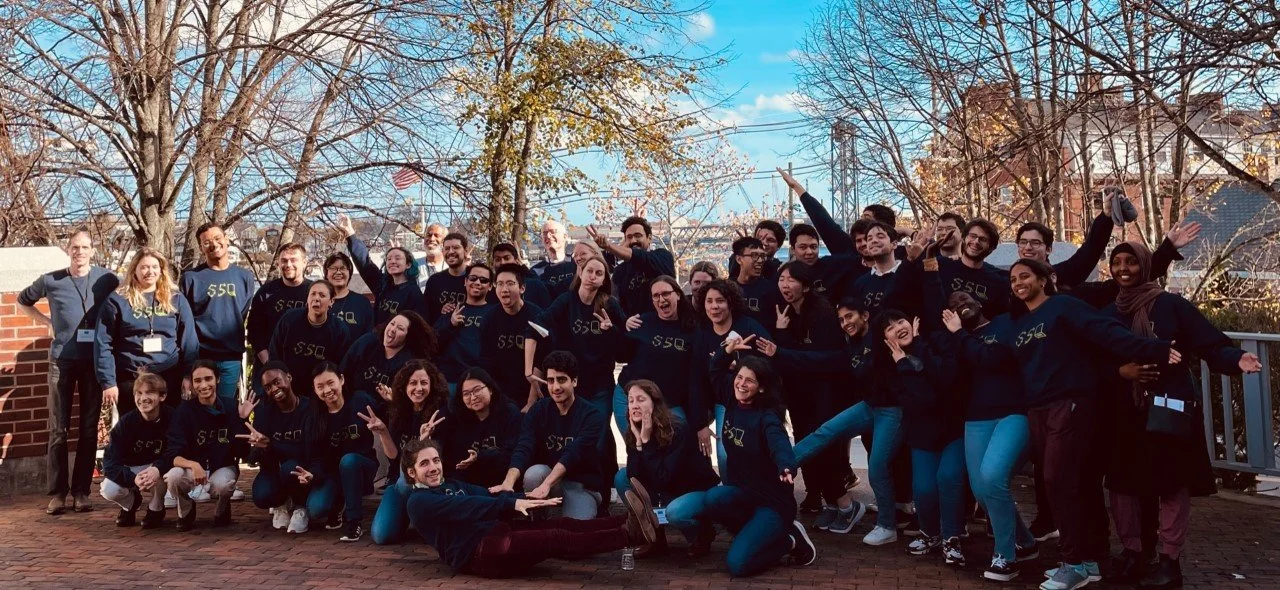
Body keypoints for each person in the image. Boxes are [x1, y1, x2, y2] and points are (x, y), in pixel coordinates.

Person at [1003, 258, 1178, 590]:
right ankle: (1085, 561)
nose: (1018, 283)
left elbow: (1106, 332)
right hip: (1038, 408)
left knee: (1058, 480)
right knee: (1063, 482)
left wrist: (1154, 349)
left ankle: (1074, 564)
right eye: (1013, 279)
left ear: (1044, 279)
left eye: (1025, 276)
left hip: (1069, 402)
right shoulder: (1022, 323)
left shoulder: (1063, 306)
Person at [1101, 242, 1262, 589]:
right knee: (1124, 486)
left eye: (1131, 262)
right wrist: (1121, 372)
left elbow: (1208, 342)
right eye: (1117, 262)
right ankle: (1133, 552)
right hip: (1125, 414)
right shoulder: (1107, 312)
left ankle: (1169, 561)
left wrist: (1235, 360)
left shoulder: (1171, 305)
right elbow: (1092, 358)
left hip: (1168, 410)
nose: (1123, 268)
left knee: (1171, 485)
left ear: (1145, 266)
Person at [401, 437, 660, 578]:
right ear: (411, 473)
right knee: (556, 538)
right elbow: (468, 506)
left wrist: (527, 497)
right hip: (480, 554)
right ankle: (630, 534)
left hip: (495, 533)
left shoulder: (453, 484)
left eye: (435, 460)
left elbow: (487, 496)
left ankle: (634, 517)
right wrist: (513, 503)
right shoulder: (418, 503)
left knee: (564, 524)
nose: (433, 467)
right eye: (425, 464)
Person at [665, 355, 815, 576]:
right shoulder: (733, 400)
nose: (741, 384)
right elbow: (714, 371)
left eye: (749, 381)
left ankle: (789, 540)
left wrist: (786, 466)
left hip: (771, 504)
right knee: (712, 499)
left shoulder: (767, 418)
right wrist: (727, 351)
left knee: (738, 565)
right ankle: (749, 533)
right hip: (741, 495)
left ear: (761, 388)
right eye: (739, 377)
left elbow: (779, 444)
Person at [17, 229, 119, 515]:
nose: (80, 252)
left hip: (93, 362)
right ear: (67, 249)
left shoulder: (107, 279)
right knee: (58, 429)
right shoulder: (51, 280)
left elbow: (125, 301)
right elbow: (23, 301)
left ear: (92, 250)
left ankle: (81, 491)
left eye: (85, 247)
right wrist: (45, 321)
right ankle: (58, 493)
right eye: (75, 247)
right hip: (61, 361)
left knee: (88, 429)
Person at [939, 292, 1038, 582]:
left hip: (1013, 411)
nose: (960, 304)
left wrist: (959, 333)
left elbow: (993, 359)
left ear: (981, 303)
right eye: (953, 304)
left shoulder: (1006, 323)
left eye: (965, 299)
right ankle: (1026, 542)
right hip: (976, 417)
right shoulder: (954, 339)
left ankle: (1006, 557)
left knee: (994, 477)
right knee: (982, 490)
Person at [873, 310, 967, 567]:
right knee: (923, 490)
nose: (898, 328)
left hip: (952, 431)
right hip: (923, 435)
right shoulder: (891, 369)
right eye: (890, 327)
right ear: (884, 338)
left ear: (913, 323)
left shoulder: (932, 344)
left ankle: (952, 538)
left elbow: (945, 378)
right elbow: (923, 401)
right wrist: (903, 364)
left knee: (948, 480)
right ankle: (930, 534)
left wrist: (917, 345)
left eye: (901, 321)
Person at [765, 262, 850, 519]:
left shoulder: (823, 312)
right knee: (805, 443)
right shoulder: (786, 313)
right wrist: (781, 332)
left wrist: (783, 351)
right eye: (781, 279)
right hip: (798, 392)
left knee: (825, 446)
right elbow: (788, 357)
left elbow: (830, 358)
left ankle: (843, 504)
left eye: (791, 280)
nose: (785, 285)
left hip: (825, 391)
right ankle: (822, 500)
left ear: (805, 285)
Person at [495, 351, 606, 520]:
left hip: (581, 483)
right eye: (550, 380)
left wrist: (546, 484)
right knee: (533, 474)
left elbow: (573, 453)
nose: (555, 387)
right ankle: (538, 522)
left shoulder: (592, 415)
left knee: (577, 530)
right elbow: (524, 445)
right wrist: (508, 482)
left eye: (561, 380)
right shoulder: (539, 409)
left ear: (574, 381)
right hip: (548, 477)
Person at [615, 380, 719, 557]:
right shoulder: (634, 430)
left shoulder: (676, 429)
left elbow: (664, 477)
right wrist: (639, 443)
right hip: (664, 490)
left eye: (641, 399)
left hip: (690, 490)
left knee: (675, 512)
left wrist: (647, 442)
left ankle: (702, 533)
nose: (634, 405)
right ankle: (655, 539)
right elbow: (634, 477)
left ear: (654, 403)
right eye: (631, 400)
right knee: (622, 477)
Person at [95, 247, 198, 416]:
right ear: (134, 269)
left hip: (169, 377)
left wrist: (188, 375)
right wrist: (108, 382)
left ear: (161, 270)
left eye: (154, 267)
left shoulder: (175, 298)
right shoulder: (118, 300)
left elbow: (189, 340)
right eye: (144, 267)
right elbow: (103, 342)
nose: (149, 271)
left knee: (170, 429)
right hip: (131, 379)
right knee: (133, 430)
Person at [689, 279, 771, 475]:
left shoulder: (749, 327)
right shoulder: (702, 335)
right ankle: (732, 496)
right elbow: (696, 379)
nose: (714, 306)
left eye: (720, 301)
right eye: (709, 301)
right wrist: (700, 424)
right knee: (725, 456)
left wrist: (742, 364)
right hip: (723, 402)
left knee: (757, 453)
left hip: (756, 402)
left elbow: (770, 364)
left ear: (730, 303)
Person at [162, 360, 251, 531]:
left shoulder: (231, 406)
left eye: (208, 379)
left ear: (217, 379)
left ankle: (222, 509)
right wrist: (193, 464)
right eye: (197, 381)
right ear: (192, 384)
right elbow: (172, 453)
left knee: (225, 485)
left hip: (221, 466)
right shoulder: (183, 411)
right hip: (192, 468)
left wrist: (242, 420)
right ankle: (186, 510)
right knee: (173, 477)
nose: (203, 385)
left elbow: (242, 451)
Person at [369, 359, 450, 545]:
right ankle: (410, 514)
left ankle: (421, 516)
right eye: (413, 383)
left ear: (433, 385)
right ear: (404, 386)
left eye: (424, 383)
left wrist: (424, 440)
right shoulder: (399, 410)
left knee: (406, 480)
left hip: (430, 484)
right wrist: (382, 432)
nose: (418, 388)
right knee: (382, 535)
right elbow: (393, 455)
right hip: (400, 483)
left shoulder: (440, 414)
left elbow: (433, 464)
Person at [241, 361, 326, 534]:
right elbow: (253, 458)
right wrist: (259, 445)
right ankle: (281, 504)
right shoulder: (265, 412)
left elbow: (311, 451)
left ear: (289, 377)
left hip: (303, 469)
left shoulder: (310, 408)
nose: (274, 389)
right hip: (274, 469)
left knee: (290, 468)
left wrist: (273, 445)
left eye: (277, 382)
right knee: (262, 495)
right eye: (267, 387)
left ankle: (300, 506)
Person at [180, 222, 257, 409]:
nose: (213, 244)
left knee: (226, 409)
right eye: (206, 242)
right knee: (200, 410)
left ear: (226, 240)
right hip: (201, 356)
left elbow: (243, 312)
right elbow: (184, 320)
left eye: (217, 238)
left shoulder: (244, 276)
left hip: (231, 356)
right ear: (200, 247)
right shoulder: (191, 278)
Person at [614, 276, 699, 436]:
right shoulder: (642, 322)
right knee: (636, 447)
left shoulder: (692, 329)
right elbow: (621, 355)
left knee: (673, 450)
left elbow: (695, 376)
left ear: (678, 295)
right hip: (629, 397)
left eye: (666, 293)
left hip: (670, 403)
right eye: (656, 296)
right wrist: (614, 330)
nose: (662, 299)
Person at [310, 362, 380, 541]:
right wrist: (313, 475)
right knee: (316, 509)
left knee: (349, 461)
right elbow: (317, 456)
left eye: (330, 383)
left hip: (361, 466)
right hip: (333, 474)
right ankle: (338, 500)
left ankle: (354, 521)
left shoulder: (360, 400)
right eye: (320, 387)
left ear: (341, 380)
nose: (327, 390)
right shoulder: (316, 416)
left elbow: (385, 416)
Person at [100, 371, 172, 529]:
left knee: (168, 473)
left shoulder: (172, 418)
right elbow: (110, 463)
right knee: (108, 489)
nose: (143, 398)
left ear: (162, 396)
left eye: (150, 392)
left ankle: (156, 508)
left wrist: (158, 468)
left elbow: (176, 451)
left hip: (158, 468)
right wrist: (132, 478)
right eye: (139, 393)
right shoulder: (126, 423)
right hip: (133, 470)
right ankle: (130, 504)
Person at [437, 368, 522, 488]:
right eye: (466, 394)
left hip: (504, 481)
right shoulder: (458, 419)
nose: (473, 397)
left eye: (477, 390)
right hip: (470, 484)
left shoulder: (509, 412)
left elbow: (512, 453)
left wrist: (479, 457)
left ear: (490, 389)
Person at [267, 281, 350, 399]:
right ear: (307, 298)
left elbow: (340, 367)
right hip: (289, 389)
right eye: (313, 294)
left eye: (322, 295)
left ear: (331, 301)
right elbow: (274, 353)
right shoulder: (289, 319)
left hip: (320, 393)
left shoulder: (339, 330)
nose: (316, 298)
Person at [338, 214, 426, 325]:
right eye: (389, 259)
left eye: (397, 258)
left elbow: (419, 325)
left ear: (408, 264)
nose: (392, 261)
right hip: (378, 339)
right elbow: (365, 263)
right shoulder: (383, 285)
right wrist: (350, 233)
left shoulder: (413, 293)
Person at [478, 263, 544, 409]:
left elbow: (542, 359)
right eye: (500, 284)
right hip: (501, 393)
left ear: (522, 288)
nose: (504, 289)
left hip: (533, 390)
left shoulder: (536, 315)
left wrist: (531, 402)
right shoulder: (489, 319)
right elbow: (486, 362)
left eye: (510, 283)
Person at [340, 310, 434, 408]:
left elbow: (411, 403)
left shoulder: (410, 363)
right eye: (392, 323)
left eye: (400, 328)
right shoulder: (367, 342)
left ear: (408, 337)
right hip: (352, 403)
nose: (393, 329)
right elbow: (344, 371)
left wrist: (392, 401)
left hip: (384, 413)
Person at [587, 216, 676, 316]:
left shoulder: (663, 257)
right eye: (629, 237)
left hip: (666, 325)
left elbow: (640, 256)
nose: (633, 240)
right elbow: (617, 305)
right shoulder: (620, 271)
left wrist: (609, 246)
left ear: (649, 238)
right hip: (635, 328)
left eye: (638, 235)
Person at [246, 243, 313, 367]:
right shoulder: (265, 292)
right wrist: (268, 362)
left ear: (304, 262)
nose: (288, 265)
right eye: (284, 260)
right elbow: (254, 330)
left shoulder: (314, 291)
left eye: (293, 260)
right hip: (268, 364)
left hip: (305, 365)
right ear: (278, 263)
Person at [435, 263, 498, 390]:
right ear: (465, 281)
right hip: (450, 379)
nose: (478, 282)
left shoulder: (495, 313)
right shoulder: (452, 309)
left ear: (490, 286)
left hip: (480, 380)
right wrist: (450, 324)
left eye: (484, 280)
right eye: (473, 278)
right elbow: (433, 342)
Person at [423, 232, 473, 323]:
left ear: (465, 251)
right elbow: (426, 314)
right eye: (447, 248)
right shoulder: (434, 281)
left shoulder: (476, 278)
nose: (450, 252)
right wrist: (441, 311)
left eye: (456, 248)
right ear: (443, 252)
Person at [731, 236, 780, 328]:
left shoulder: (770, 289)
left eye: (762, 256)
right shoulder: (727, 288)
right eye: (754, 255)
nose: (760, 260)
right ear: (738, 259)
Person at [324, 252, 374, 337]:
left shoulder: (362, 302)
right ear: (326, 274)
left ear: (350, 273)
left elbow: (368, 336)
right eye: (333, 268)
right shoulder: (319, 301)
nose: (338, 272)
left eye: (343, 268)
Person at [491, 242, 552, 308]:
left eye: (507, 258)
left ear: (516, 261)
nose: (502, 263)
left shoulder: (534, 285)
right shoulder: (488, 288)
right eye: (498, 259)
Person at [530, 220, 578, 299]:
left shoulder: (577, 264)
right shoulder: (536, 271)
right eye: (544, 233)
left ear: (565, 236)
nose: (548, 236)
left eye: (553, 232)